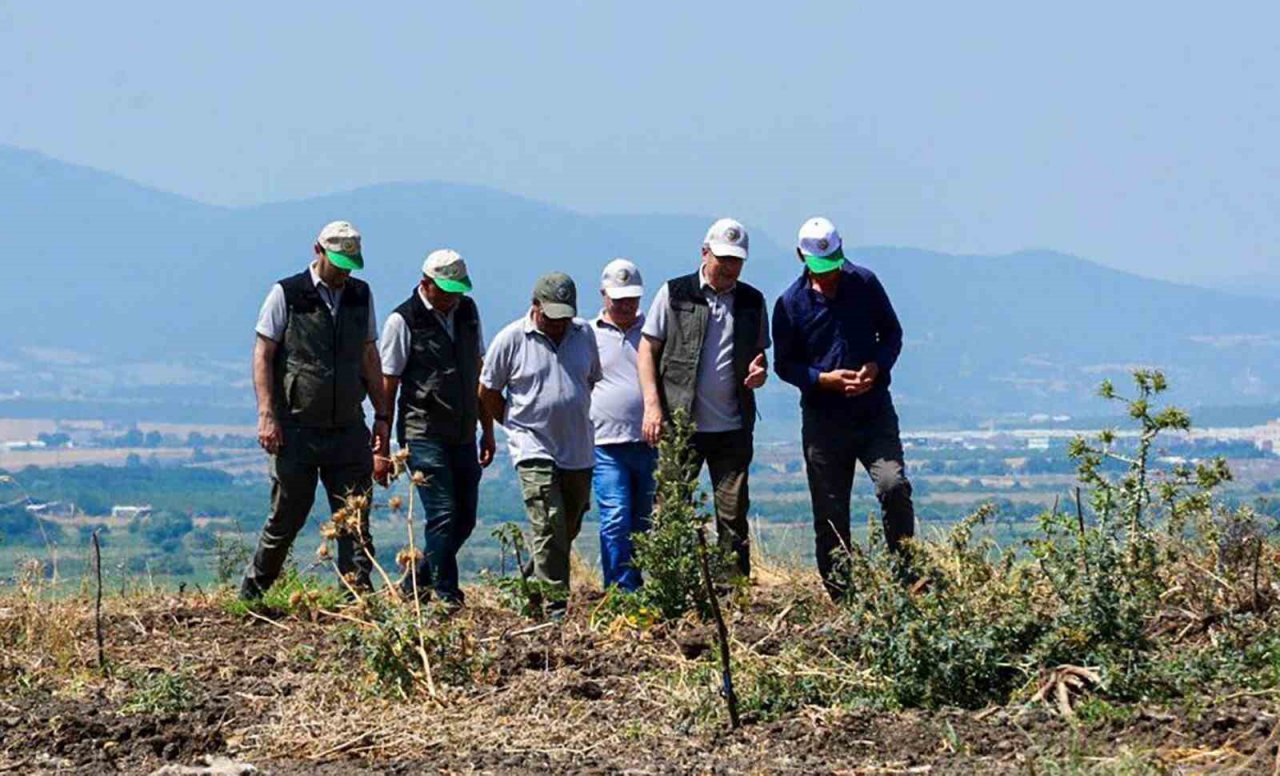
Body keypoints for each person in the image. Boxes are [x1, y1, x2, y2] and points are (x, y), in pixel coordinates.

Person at [241, 220, 390, 600]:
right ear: (318, 251)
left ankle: (356, 599)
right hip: (296, 428)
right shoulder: (287, 294)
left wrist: (382, 415)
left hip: (348, 427)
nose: (344, 273)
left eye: (349, 265)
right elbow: (263, 354)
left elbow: (369, 355)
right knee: (287, 517)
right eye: (338, 263)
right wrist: (266, 414)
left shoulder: (361, 295)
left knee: (355, 518)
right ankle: (253, 594)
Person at [772, 217, 915, 600]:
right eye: (821, 267)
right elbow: (785, 365)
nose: (830, 274)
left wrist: (877, 366)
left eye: (834, 263)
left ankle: (908, 578)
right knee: (830, 510)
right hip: (824, 420)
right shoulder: (789, 304)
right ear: (801, 256)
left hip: (873, 411)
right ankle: (842, 594)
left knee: (893, 485)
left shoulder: (865, 283)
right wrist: (823, 380)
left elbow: (892, 334)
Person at [638, 218, 770, 580]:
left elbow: (760, 356)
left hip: (733, 427)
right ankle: (670, 586)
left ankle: (732, 592)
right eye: (723, 258)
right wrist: (652, 405)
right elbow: (647, 349)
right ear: (705, 253)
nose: (729, 267)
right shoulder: (674, 293)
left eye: (736, 260)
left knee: (732, 514)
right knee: (671, 509)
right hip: (681, 426)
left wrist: (760, 372)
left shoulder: (752, 301)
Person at [377, 249, 496, 607]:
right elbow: (388, 384)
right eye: (445, 291)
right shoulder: (403, 320)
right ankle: (447, 595)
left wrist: (487, 429)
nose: (452, 298)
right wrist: (382, 443)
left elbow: (478, 372)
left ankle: (416, 582)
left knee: (465, 518)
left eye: (457, 291)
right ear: (426, 283)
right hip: (423, 431)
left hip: (463, 431)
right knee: (442, 512)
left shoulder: (468, 312)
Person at [479, 273, 601, 616]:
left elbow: (590, 380)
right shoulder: (511, 339)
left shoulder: (584, 334)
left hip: (577, 447)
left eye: (565, 317)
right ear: (535, 306)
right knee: (548, 520)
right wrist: (513, 424)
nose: (559, 324)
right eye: (552, 316)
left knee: (568, 524)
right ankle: (555, 605)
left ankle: (530, 588)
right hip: (532, 443)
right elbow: (487, 391)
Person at [589, 259, 656, 592]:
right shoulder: (587, 334)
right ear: (603, 295)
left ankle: (633, 585)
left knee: (642, 523)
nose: (626, 305)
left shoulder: (653, 332)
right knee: (616, 517)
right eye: (619, 299)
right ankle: (621, 590)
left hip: (648, 442)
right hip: (605, 443)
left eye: (631, 298)